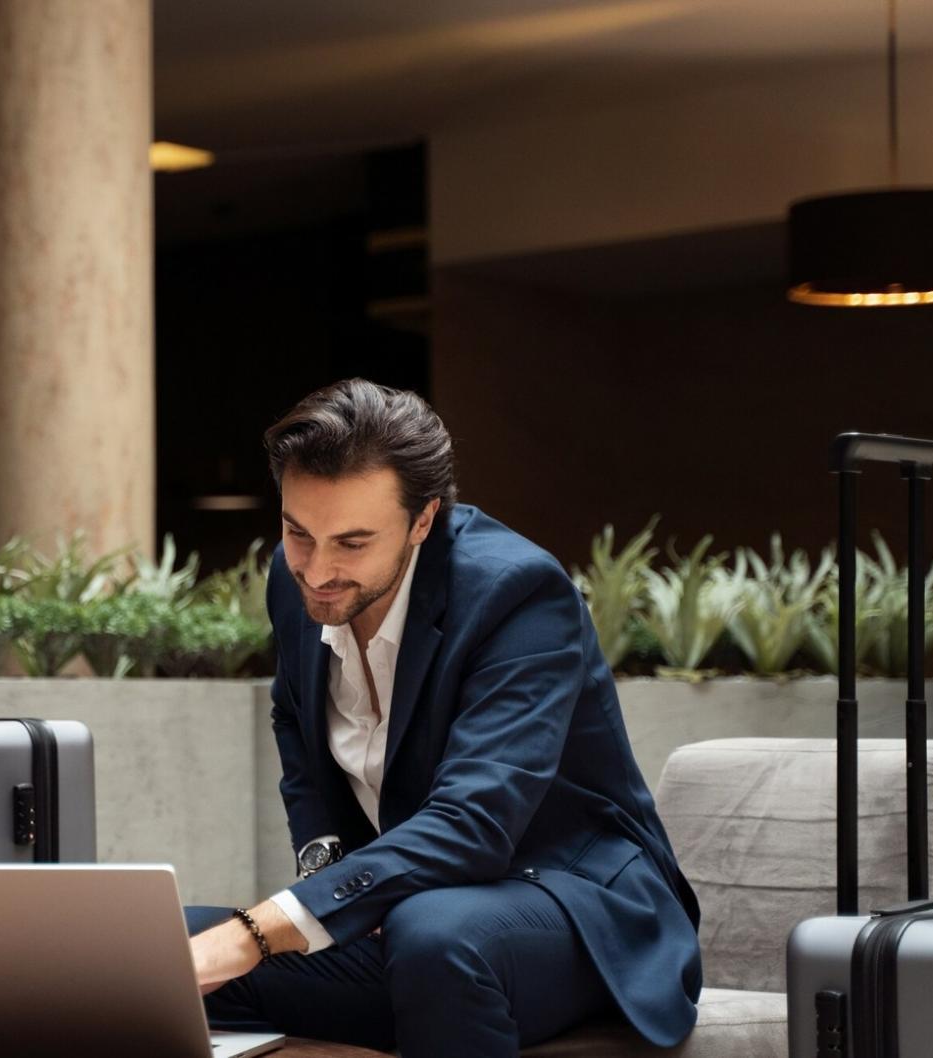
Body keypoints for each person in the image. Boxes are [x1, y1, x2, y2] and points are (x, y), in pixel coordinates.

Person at [187, 379, 701, 1057]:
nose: (317, 570)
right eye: (298, 532)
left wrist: (256, 933)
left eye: (353, 542)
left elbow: (473, 823)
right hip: (411, 914)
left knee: (436, 935)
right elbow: (296, 724)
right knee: (154, 946)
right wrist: (332, 880)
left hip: (577, 914)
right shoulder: (295, 580)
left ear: (423, 521)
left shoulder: (517, 594)